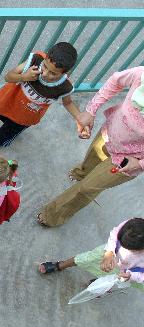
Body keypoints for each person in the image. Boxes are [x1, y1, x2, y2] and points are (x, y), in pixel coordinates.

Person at [37, 66, 144, 227]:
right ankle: (81, 173)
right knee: (93, 156)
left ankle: (53, 215)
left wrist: (141, 164)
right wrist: (90, 111)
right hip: (111, 132)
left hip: (131, 159)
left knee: (87, 188)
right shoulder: (141, 74)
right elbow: (115, 80)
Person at [0, 42, 87, 151]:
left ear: (65, 73)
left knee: (7, 131)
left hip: (26, 116)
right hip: (11, 101)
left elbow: (68, 103)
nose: (44, 74)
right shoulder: (34, 60)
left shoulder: (64, 87)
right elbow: (8, 77)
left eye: (53, 73)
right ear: (46, 57)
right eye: (45, 66)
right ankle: (10, 131)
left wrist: (80, 118)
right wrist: (24, 77)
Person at [39, 218, 144, 290]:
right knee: (85, 258)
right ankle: (61, 265)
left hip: (129, 270)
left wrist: (131, 276)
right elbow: (115, 234)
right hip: (109, 253)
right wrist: (109, 252)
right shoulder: (132, 225)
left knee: (113, 279)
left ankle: (100, 283)